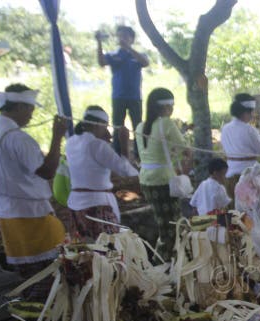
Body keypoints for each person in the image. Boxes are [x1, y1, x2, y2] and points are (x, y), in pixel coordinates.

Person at [0, 84, 68, 300]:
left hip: (6, 211)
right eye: (29, 109)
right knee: (49, 276)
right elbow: (47, 171)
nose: (31, 115)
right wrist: (57, 138)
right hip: (30, 212)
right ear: (18, 106)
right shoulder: (18, 138)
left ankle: (30, 320)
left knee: (27, 276)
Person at [66, 106, 138, 240]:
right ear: (99, 125)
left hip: (75, 203)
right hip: (97, 204)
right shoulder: (97, 145)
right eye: (105, 126)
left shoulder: (70, 142)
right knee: (108, 249)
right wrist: (124, 144)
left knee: (85, 249)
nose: (107, 131)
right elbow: (126, 170)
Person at [135, 88, 189, 260]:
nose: (172, 109)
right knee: (174, 226)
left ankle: (168, 261)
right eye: (171, 104)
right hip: (164, 180)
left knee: (163, 224)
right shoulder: (166, 123)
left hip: (146, 180)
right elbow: (184, 148)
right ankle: (164, 263)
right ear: (165, 106)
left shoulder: (140, 126)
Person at [97, 26, 149, 155]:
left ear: (132, 39)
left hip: (135, 97)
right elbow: (101, 62)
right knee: (117, 126)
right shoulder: (113, 55)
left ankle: (139, 154)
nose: (122, 39)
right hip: (118, 97)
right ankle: (118, 153)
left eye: (125, 36)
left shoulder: (137, 55)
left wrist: (129, 48)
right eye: (120, 36)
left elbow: (145, 62)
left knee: (138, 126)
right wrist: (99, 42)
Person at [221, 93, 260, 199]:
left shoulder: (225, 129)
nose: (253, 115)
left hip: (230, 176)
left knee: (235, 212)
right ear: (245, 112)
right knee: (250, 212)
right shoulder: (249, 130)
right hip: (248, 177)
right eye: (251, 112)